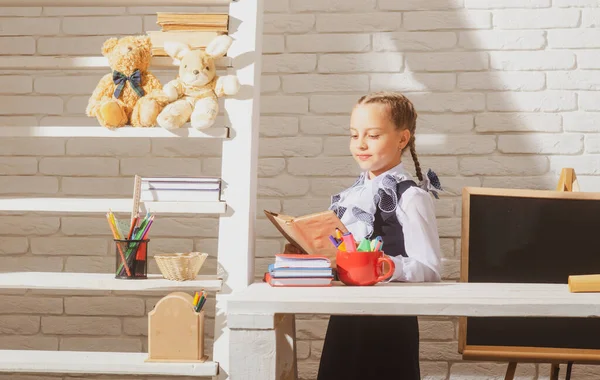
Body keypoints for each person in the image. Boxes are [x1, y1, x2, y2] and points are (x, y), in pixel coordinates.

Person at [316, 91, 443, 379]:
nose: (360, 144)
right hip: (346, 317)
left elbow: (431, 268)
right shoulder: (351, 196)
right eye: (353, 135)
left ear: (402, 139)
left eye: (372, 135)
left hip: (390, 321)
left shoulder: (410, 196)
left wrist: (385, 265)